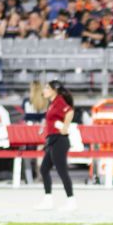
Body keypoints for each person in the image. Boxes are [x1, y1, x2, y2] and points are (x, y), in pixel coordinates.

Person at [38, 81, 76, 210]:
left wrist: (65, 127)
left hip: (60, 140)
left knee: (62, 171)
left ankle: (71, 201)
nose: (45, 90)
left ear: (54, 90)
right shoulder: (52, 103)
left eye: (47, 88)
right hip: (52, 139)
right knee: (44, 169)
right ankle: (48, 200)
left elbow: (69, 112)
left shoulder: (59, 100)